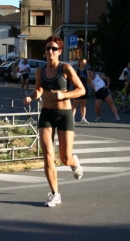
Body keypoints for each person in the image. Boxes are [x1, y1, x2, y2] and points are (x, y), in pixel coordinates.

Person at [23, 36, 84, 208]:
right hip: (46, 115)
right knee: (48, 156)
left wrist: (64, 95)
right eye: (48, 48)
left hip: (64, 115)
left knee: (65, 158)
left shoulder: (65, 68)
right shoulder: (39, 71)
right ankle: (55, 194)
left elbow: (81, 90)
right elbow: (39, 90)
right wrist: (31, 97)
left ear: (59, 51)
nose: (50, 51)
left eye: (54, 48)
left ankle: (74, 162)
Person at [72, 58, 89, 123]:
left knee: (83, 104)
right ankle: (72, 117)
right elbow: (74, 79)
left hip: (84, 88)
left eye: (85, 63)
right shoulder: (76, 70)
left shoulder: (86, 71)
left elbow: (88, 79)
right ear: (79, 63)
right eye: (82, 63)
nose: (84, 64)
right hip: (77, 88)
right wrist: (79, 77)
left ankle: (83, 118)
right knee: (75, 104)